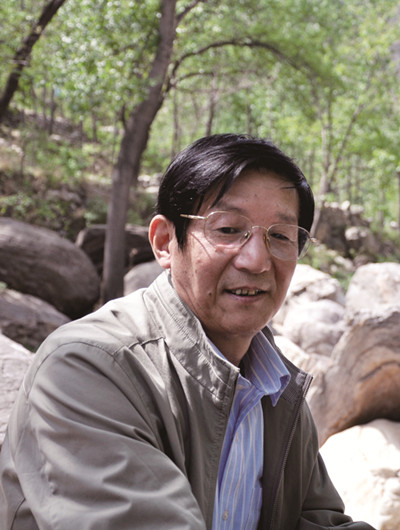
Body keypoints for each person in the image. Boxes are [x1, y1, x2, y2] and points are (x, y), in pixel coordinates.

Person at [0, 133, 375, 530]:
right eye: (228, 229)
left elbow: (317, 520)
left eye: (280, 236)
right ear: (165, 242)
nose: (257, 260)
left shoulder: (277, 390)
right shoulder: (87, 368)